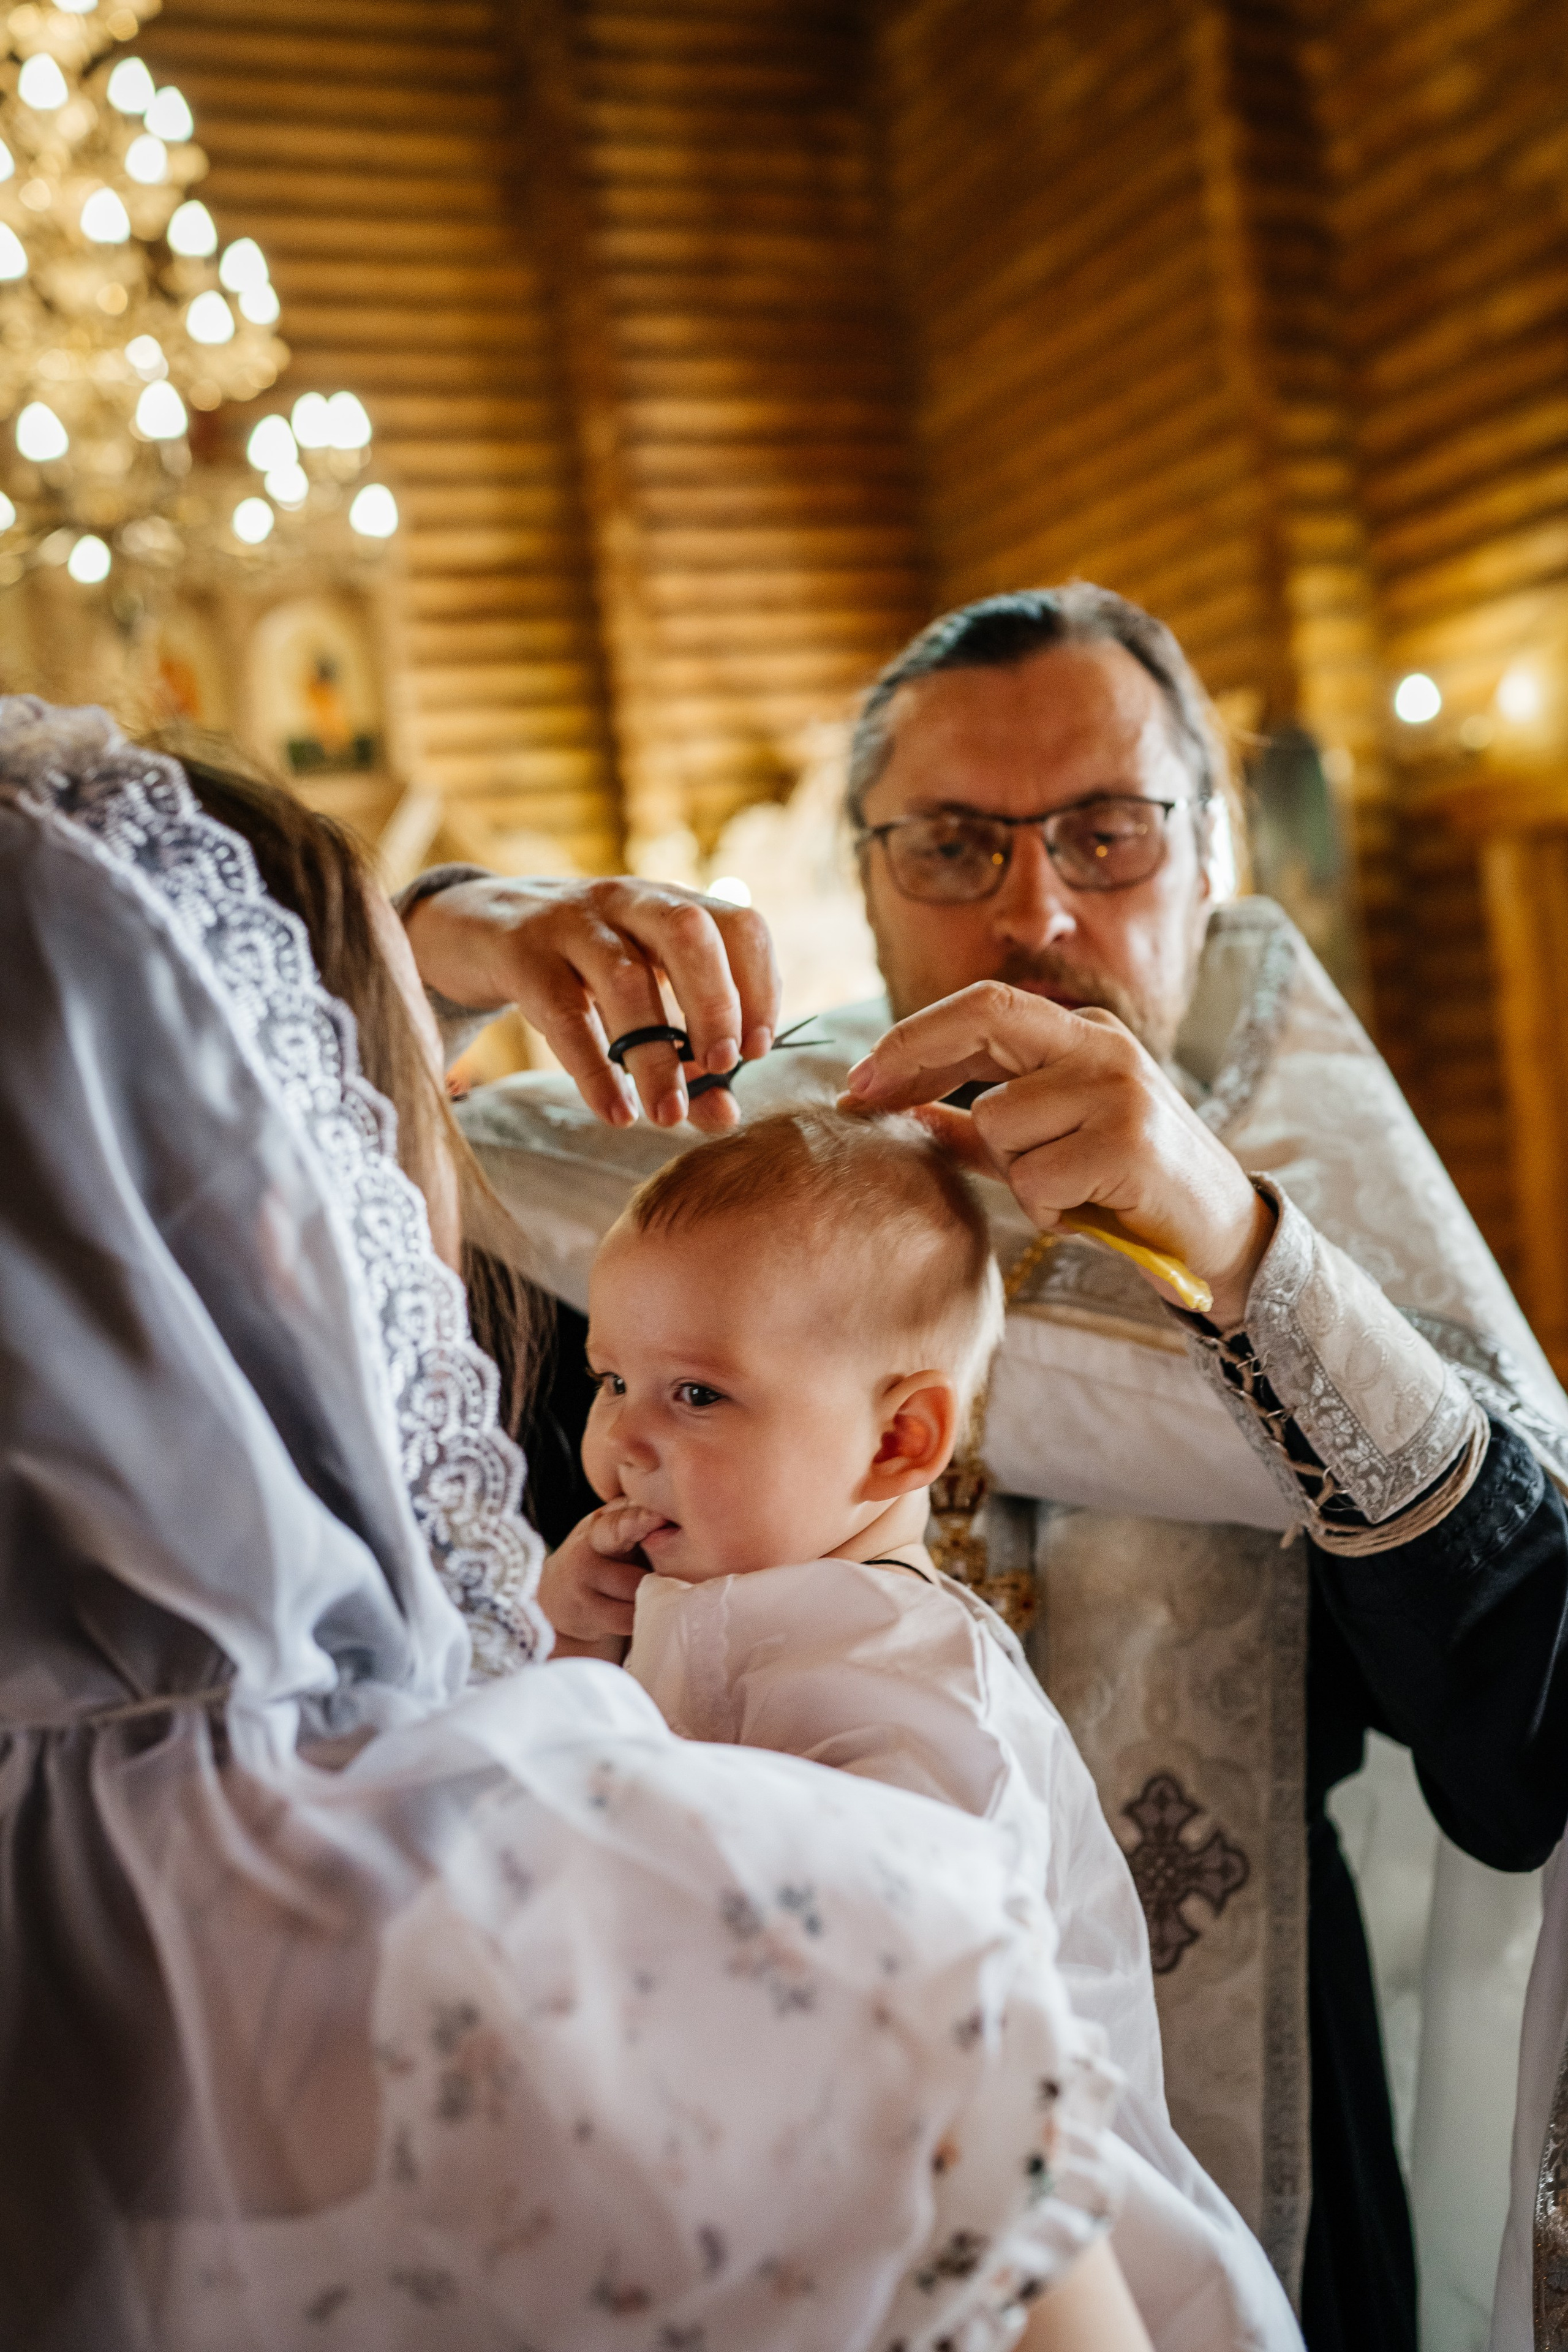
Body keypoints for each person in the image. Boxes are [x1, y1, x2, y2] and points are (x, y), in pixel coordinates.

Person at [401, 584, 1568, 2350]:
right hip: (729, 2177)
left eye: (1109, 831)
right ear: (869, 881)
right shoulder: (673, 1213)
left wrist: (1239, 1246)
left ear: (1212, 856)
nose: (1038, 908)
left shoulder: (1319, 1229)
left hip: (1251, 2136)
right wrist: (442, 939)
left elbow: (1528, 1756)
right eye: (953, 843)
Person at [0, 698, 1156, 2352]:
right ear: (302, 1219)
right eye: (405, 1096)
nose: (618, 1432)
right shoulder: (867, 1978)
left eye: (692, 1397)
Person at [542, 1101, 1303, 2352]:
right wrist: (570, 1640)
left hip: (1004, 2219)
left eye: (696, 1393)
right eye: (611, 1377)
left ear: (898, 1440)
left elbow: (912, 1936)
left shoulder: (910, 1660)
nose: (623, 1437)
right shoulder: (714, 1589)